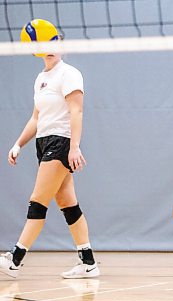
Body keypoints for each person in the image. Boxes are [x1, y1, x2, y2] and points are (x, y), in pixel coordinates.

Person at [0, 19, 99, 279]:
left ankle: (15, 259)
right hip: (43, 142)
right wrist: (18, 143)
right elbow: (36, 118)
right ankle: (88, 262)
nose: (52, 48)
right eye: (46, 44)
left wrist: (74, 147)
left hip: (60, 142)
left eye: (55, 42)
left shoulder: (70, 73)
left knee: (38, 201)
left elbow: (76, 111)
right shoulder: (41, 79)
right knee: (68, 203)